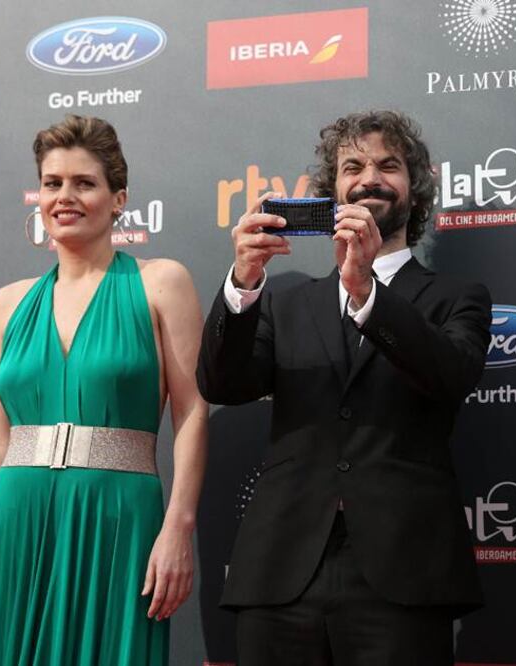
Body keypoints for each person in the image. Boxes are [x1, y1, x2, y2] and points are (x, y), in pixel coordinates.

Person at [196, 109, 491, 665]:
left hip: (402, 574)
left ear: (416, 185)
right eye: (351, 166)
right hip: (280, 572)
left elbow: (452, 375)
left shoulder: (457, 297)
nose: (369, 178)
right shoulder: (284, 301)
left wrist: (367, 294)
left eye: (388, 165)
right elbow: (223, 384)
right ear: (330, 190)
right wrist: (242, 284)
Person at [0, 114, 208, 665]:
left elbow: (194, 412)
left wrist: (178, 527)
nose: (65, 196)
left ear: (118, 198)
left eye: (84, 183)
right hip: (14, 521)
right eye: (52, 183)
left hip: (117, 524)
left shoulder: (160, 282)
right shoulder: (6, 304)